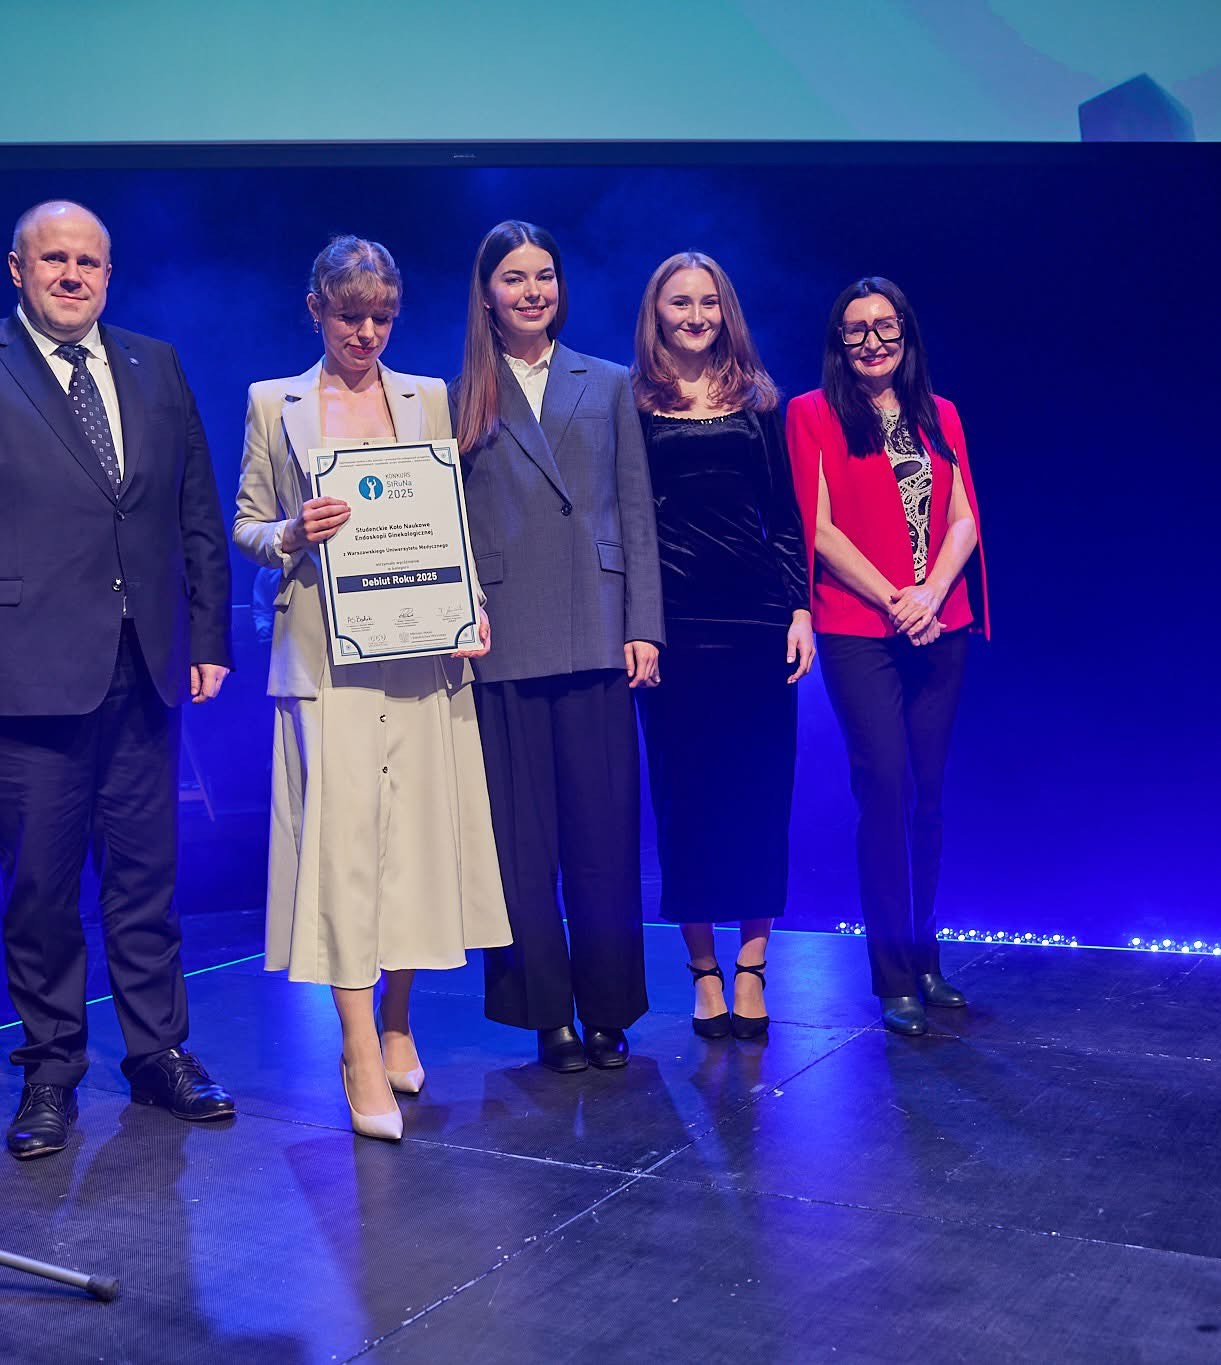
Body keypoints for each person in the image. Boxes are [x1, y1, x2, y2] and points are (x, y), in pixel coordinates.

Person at [0, 199, 237, 1159]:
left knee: (146, 878)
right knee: (40, 888)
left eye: (90, 261)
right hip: (15, 675)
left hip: (146, 667)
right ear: (17, 268)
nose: (73, 275)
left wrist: (208, 631)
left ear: (108, 274)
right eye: (55, 259)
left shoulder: (154, 363)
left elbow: (193, 511)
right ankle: (50, 1069)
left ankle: (159, 1052)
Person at [232, 236, 510, 1141]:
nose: (368, 332)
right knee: (345, 852)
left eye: (383, 316)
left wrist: (468, 604)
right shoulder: (274, 403)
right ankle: (357, 1047)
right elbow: (244, 523)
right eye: (351, 314)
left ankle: (397, 1020)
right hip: (325, 662)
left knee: (413, 848)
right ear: (314, 307)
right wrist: (290, 533)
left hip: (422, 653)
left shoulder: (425, 395)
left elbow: (447, 519)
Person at [453, 220, 663, 1073]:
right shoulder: (458, 390)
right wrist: (455, 607)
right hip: (503, 634)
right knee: (521, 842)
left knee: (605, 834)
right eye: (514, 277)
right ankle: (548, 1014)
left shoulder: (608, 381)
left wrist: (644, 622)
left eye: (544, 275)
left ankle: (609, 1007)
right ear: (488, 293)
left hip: (596, 626)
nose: (532, 290)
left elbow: (637, 507)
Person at [787, 276, 990, 1038]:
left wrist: (932, 594)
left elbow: (966, 517)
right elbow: (820, 528)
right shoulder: (812, 414)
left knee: (928, 795)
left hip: (942, 623)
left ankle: (927, 953)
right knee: (885, 785)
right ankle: (893, 971)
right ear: (839, 342)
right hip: (858, 629)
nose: (872, 340)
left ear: (906, 332)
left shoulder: (942, 416)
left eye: (885, 326)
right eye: (856, 329)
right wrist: (895, 599)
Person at [629, 252, 812, 1041]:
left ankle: (753, 965)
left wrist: (798, 608)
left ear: (725, 309)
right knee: (685, 797)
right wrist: (639, 622)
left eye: (708, 301)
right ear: (657, 313)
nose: (696, 314)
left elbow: (785, 513)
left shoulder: (758, 400)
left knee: (760, 793)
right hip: (672, 627)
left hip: (755, 622)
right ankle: (702, 968)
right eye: (680, 302)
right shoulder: (629, 402)